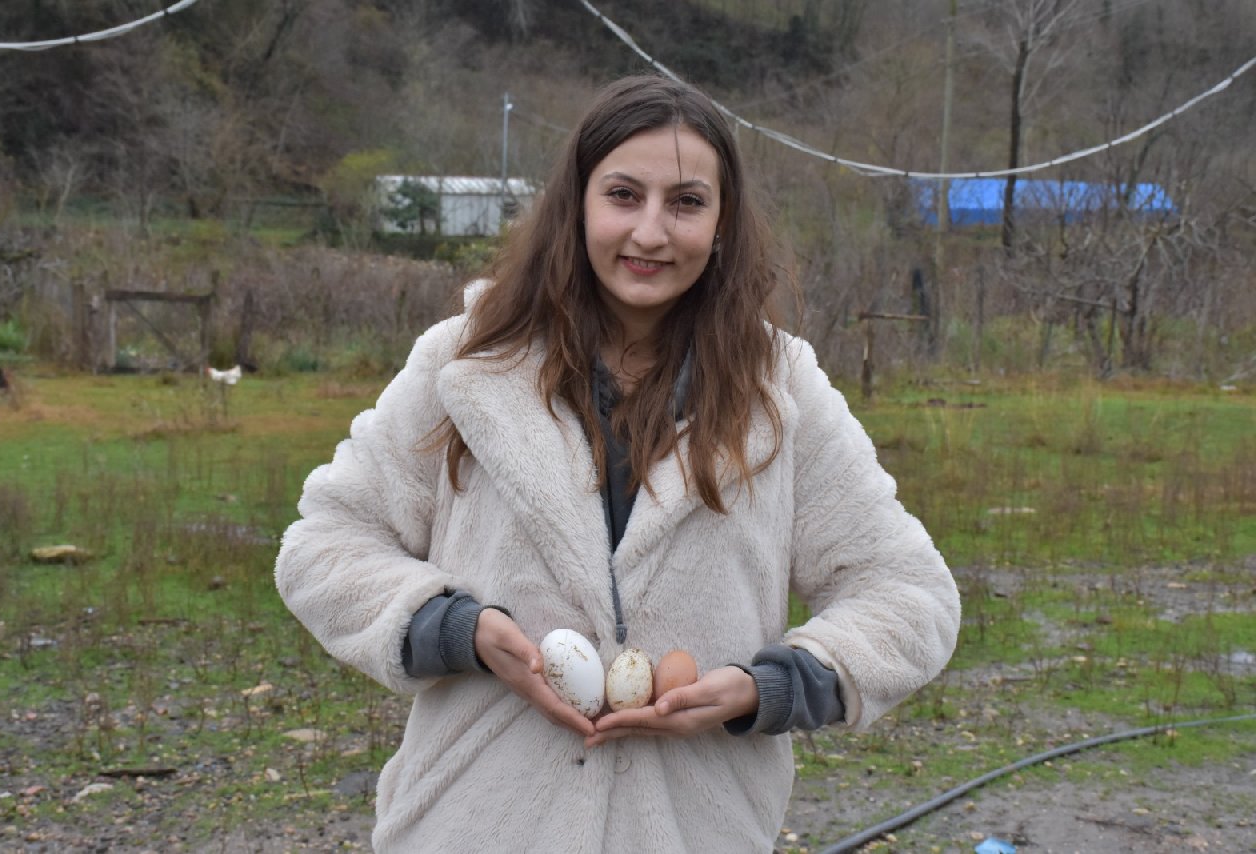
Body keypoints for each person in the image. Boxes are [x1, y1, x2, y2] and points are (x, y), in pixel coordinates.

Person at [275, 74, 960, 852]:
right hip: (471, 825)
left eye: (687, 202)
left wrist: (768, 688)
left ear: (723, 221)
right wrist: (459, 630)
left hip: (695, 831)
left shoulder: (781, 390)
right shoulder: (465, 363)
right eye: (625, 195)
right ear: (578, 205)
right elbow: (323, 546)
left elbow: (910, 595)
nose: (651, 232)